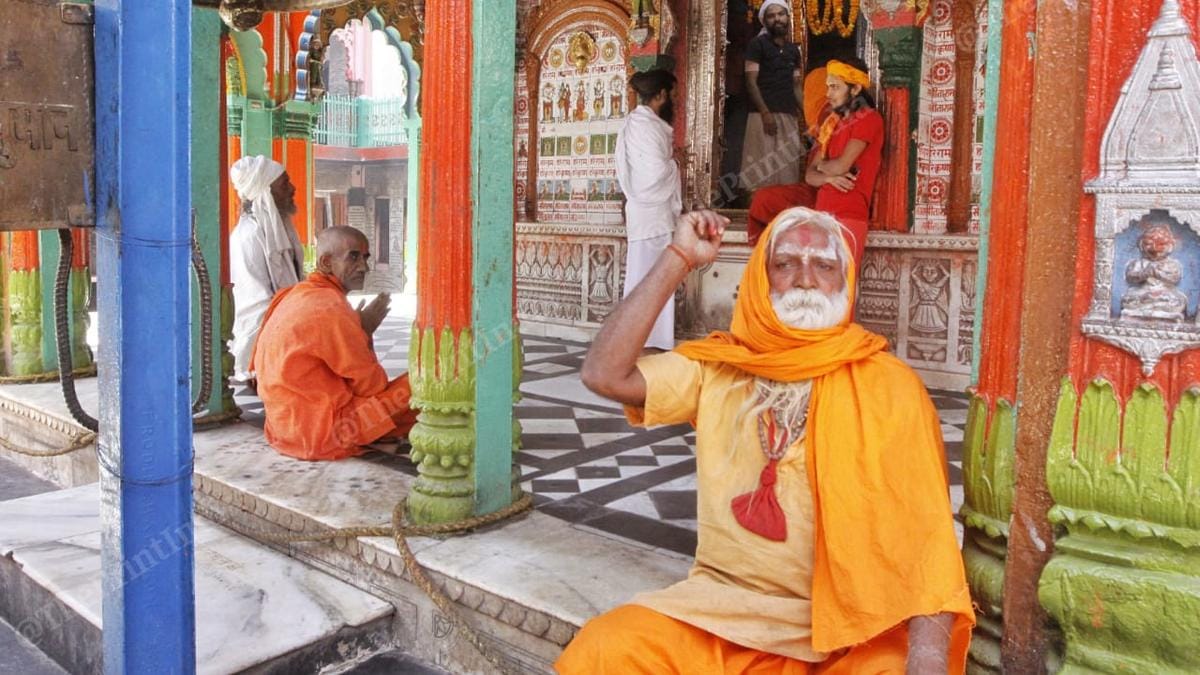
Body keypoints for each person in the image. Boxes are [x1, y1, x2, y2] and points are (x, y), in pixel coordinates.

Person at [560, 207, 974, 674]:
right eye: (785, 264)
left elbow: (929, 543)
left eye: (824, 265)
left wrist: (927, 657)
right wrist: (678, 257)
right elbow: (604, 374)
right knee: (607, 648)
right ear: (760, 277)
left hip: (850, 629)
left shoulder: (890, 386)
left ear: (844, 280)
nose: (805, 279)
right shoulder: (720, 367)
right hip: (726, 613)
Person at [249, 227, 418, 461]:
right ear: (326, 262)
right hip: (327, 434)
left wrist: (358, 331)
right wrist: (364, 332)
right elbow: (373, 387)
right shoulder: (331, 307)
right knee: (425, 382)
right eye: (354, 256)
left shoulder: (292, 294)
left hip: (283, 428)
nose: (364, 267)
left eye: (366, 258)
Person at [747, 57, 884, 267]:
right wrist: (828, 176)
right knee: (817, 292)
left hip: (848, 214)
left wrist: (824, 167)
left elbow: (841, 166)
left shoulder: (869, 118)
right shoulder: (831, 124)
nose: (828, 94)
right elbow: (810, 176)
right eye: (828, 87)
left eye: (835, 87)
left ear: (855, 88)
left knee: (840, 292)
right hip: (821, 212)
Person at [614, 69, 682, 351]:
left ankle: (647, 336)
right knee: (652, 276)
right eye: (673, 95)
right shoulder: (646, 126)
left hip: (647, 214)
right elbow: (654, 173)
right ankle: (645, 337)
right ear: (662, 95)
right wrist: (675, 164)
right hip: (652, 215)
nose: (674, 101)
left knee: (650, 276)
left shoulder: (635, 124)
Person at [229, 155, 306, 385]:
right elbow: (255, 302)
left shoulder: (279, 227)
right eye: (284, 184)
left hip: (287, 322)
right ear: (266, 191)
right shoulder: (249, 236)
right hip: (270, 332)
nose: (292, 188)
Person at [740, 0, 804, 192]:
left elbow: (796, 87)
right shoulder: (757, 45)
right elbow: (751, 82)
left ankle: (783, 216)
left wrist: (808, 116)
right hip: (761, 117)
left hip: (787, 114)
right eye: (771, 15)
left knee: (787, 170)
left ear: (787, 17)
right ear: (765, 21)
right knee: (762, 172)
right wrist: (765, 113)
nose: (777, 19)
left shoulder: (794, 51)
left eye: (781, 14)